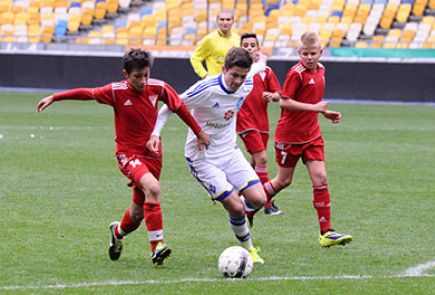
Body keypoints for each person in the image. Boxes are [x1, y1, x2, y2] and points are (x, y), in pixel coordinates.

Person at [37, 48, 209, 266]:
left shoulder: (160, 87)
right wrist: (55, 97)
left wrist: (199, 132)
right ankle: (157, 246)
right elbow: (87, 93)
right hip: (128, 154)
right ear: (126, 74)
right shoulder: (116, 91)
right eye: (138, 76)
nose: (143, 81)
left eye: (146, 74)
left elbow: (180, 108)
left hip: (153, 155)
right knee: (154, 189)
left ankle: (117, 233)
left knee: (137, 215)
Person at [148, 47, 267, 264]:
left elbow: (260, 67)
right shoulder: (206, 89)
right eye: (234, 75)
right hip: (202, 157)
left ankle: (237, 213)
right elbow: (169, 107)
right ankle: (249, 249)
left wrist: (262, 59)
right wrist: (155, 134)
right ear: (224, 69)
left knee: (259, 199)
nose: (238, 81)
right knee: (236, 206)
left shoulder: (248, 81)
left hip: (230, 152)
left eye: (242, 76)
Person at [261, 32, 352, 248]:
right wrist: (315, 108)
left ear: (320, 53)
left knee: (320, 178)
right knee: (283, 181)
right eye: (305, 53)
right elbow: (284, 102)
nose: (309, 57)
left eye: (313, 53)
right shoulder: (296, 73)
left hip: (311, 135)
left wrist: (323, 113)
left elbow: (311, 100)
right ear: (299, 53)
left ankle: (326, 232)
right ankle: (250, 203)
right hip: (290, 136)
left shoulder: (321, 70)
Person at [237, 32, 283, 216]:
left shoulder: (266, 71)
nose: (249, 48)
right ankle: (267, 203)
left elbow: (279, 93)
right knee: (262, 159)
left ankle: (239, 193)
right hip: (244, 120)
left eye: (252, 45)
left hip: (262, 122)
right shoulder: (238, 70)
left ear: (258, 48)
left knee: (255, 162)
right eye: (245, 45)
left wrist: (273, 96)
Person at [190, 9, 240, 79]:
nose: (225, 22)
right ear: (217, 21)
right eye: (222, 19)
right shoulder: (209, 39)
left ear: (233, 21)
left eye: (228, 20)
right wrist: (205, 75)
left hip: (233, 83)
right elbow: (195, 58)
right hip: (216, 83)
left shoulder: (238, 39)